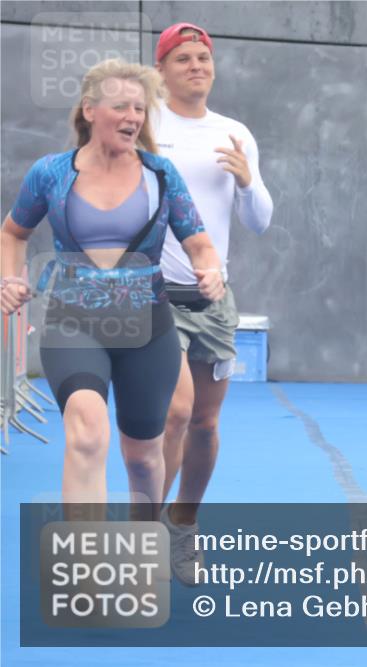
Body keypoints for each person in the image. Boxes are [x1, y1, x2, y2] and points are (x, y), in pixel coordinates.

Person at [0, 59, 224, 520]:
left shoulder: (160, 175)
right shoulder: (51, 172)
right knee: (86, 434)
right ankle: (87, 560)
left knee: (142, 456)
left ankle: (143, 540)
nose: (133, 117)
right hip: (73, 323)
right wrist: (10, 278)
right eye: (120, 106)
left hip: (148, 329)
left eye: (139, 108)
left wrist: (210, 270)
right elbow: (12, 233)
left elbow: (199, 243)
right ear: (89, 110)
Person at [153, 22, 273, 585]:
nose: (196, 66)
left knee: (203, 422)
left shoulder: (234, 133)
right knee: (174, 413)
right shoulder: (146, 125)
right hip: (153, 298)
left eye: (203, 57)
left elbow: (260, 221)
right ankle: (144, 529)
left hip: (213, 299)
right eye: (183, 58)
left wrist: (248, 181)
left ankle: (183, 524)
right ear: (161, 70)